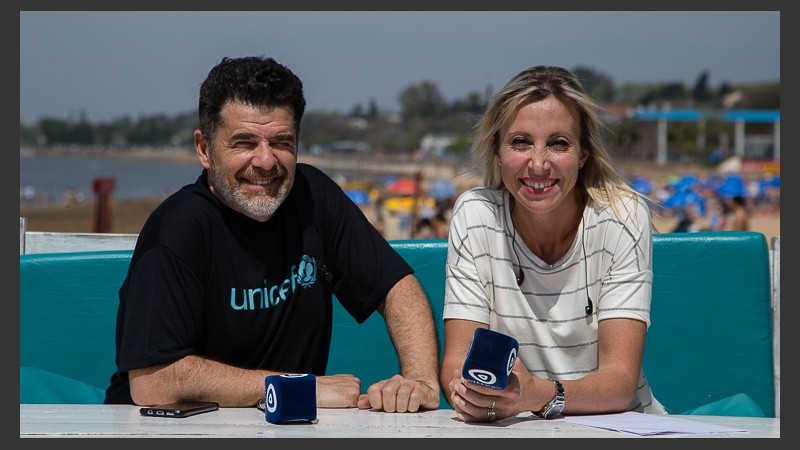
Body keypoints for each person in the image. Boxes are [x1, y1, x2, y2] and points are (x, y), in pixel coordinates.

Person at [104, 56, 440, 413]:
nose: (265, 161)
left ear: (298, 141)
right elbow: (154, 382)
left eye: (281, 142)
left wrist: (420, 381)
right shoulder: (179, 228)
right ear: (204, 149)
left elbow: (396, 287)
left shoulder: (313, 196)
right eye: (244, 143)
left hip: (285, 427)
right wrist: (295, 387)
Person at [440, 65, 666, 423]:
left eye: (558, 143)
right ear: (497, 150)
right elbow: (457, 360)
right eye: (520, 142)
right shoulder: (475, 215)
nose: (538, 164)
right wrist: (471, 394)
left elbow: (621, 382)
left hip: (622, 428)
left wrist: (537, 395)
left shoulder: (621, 216)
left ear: (583, 153)